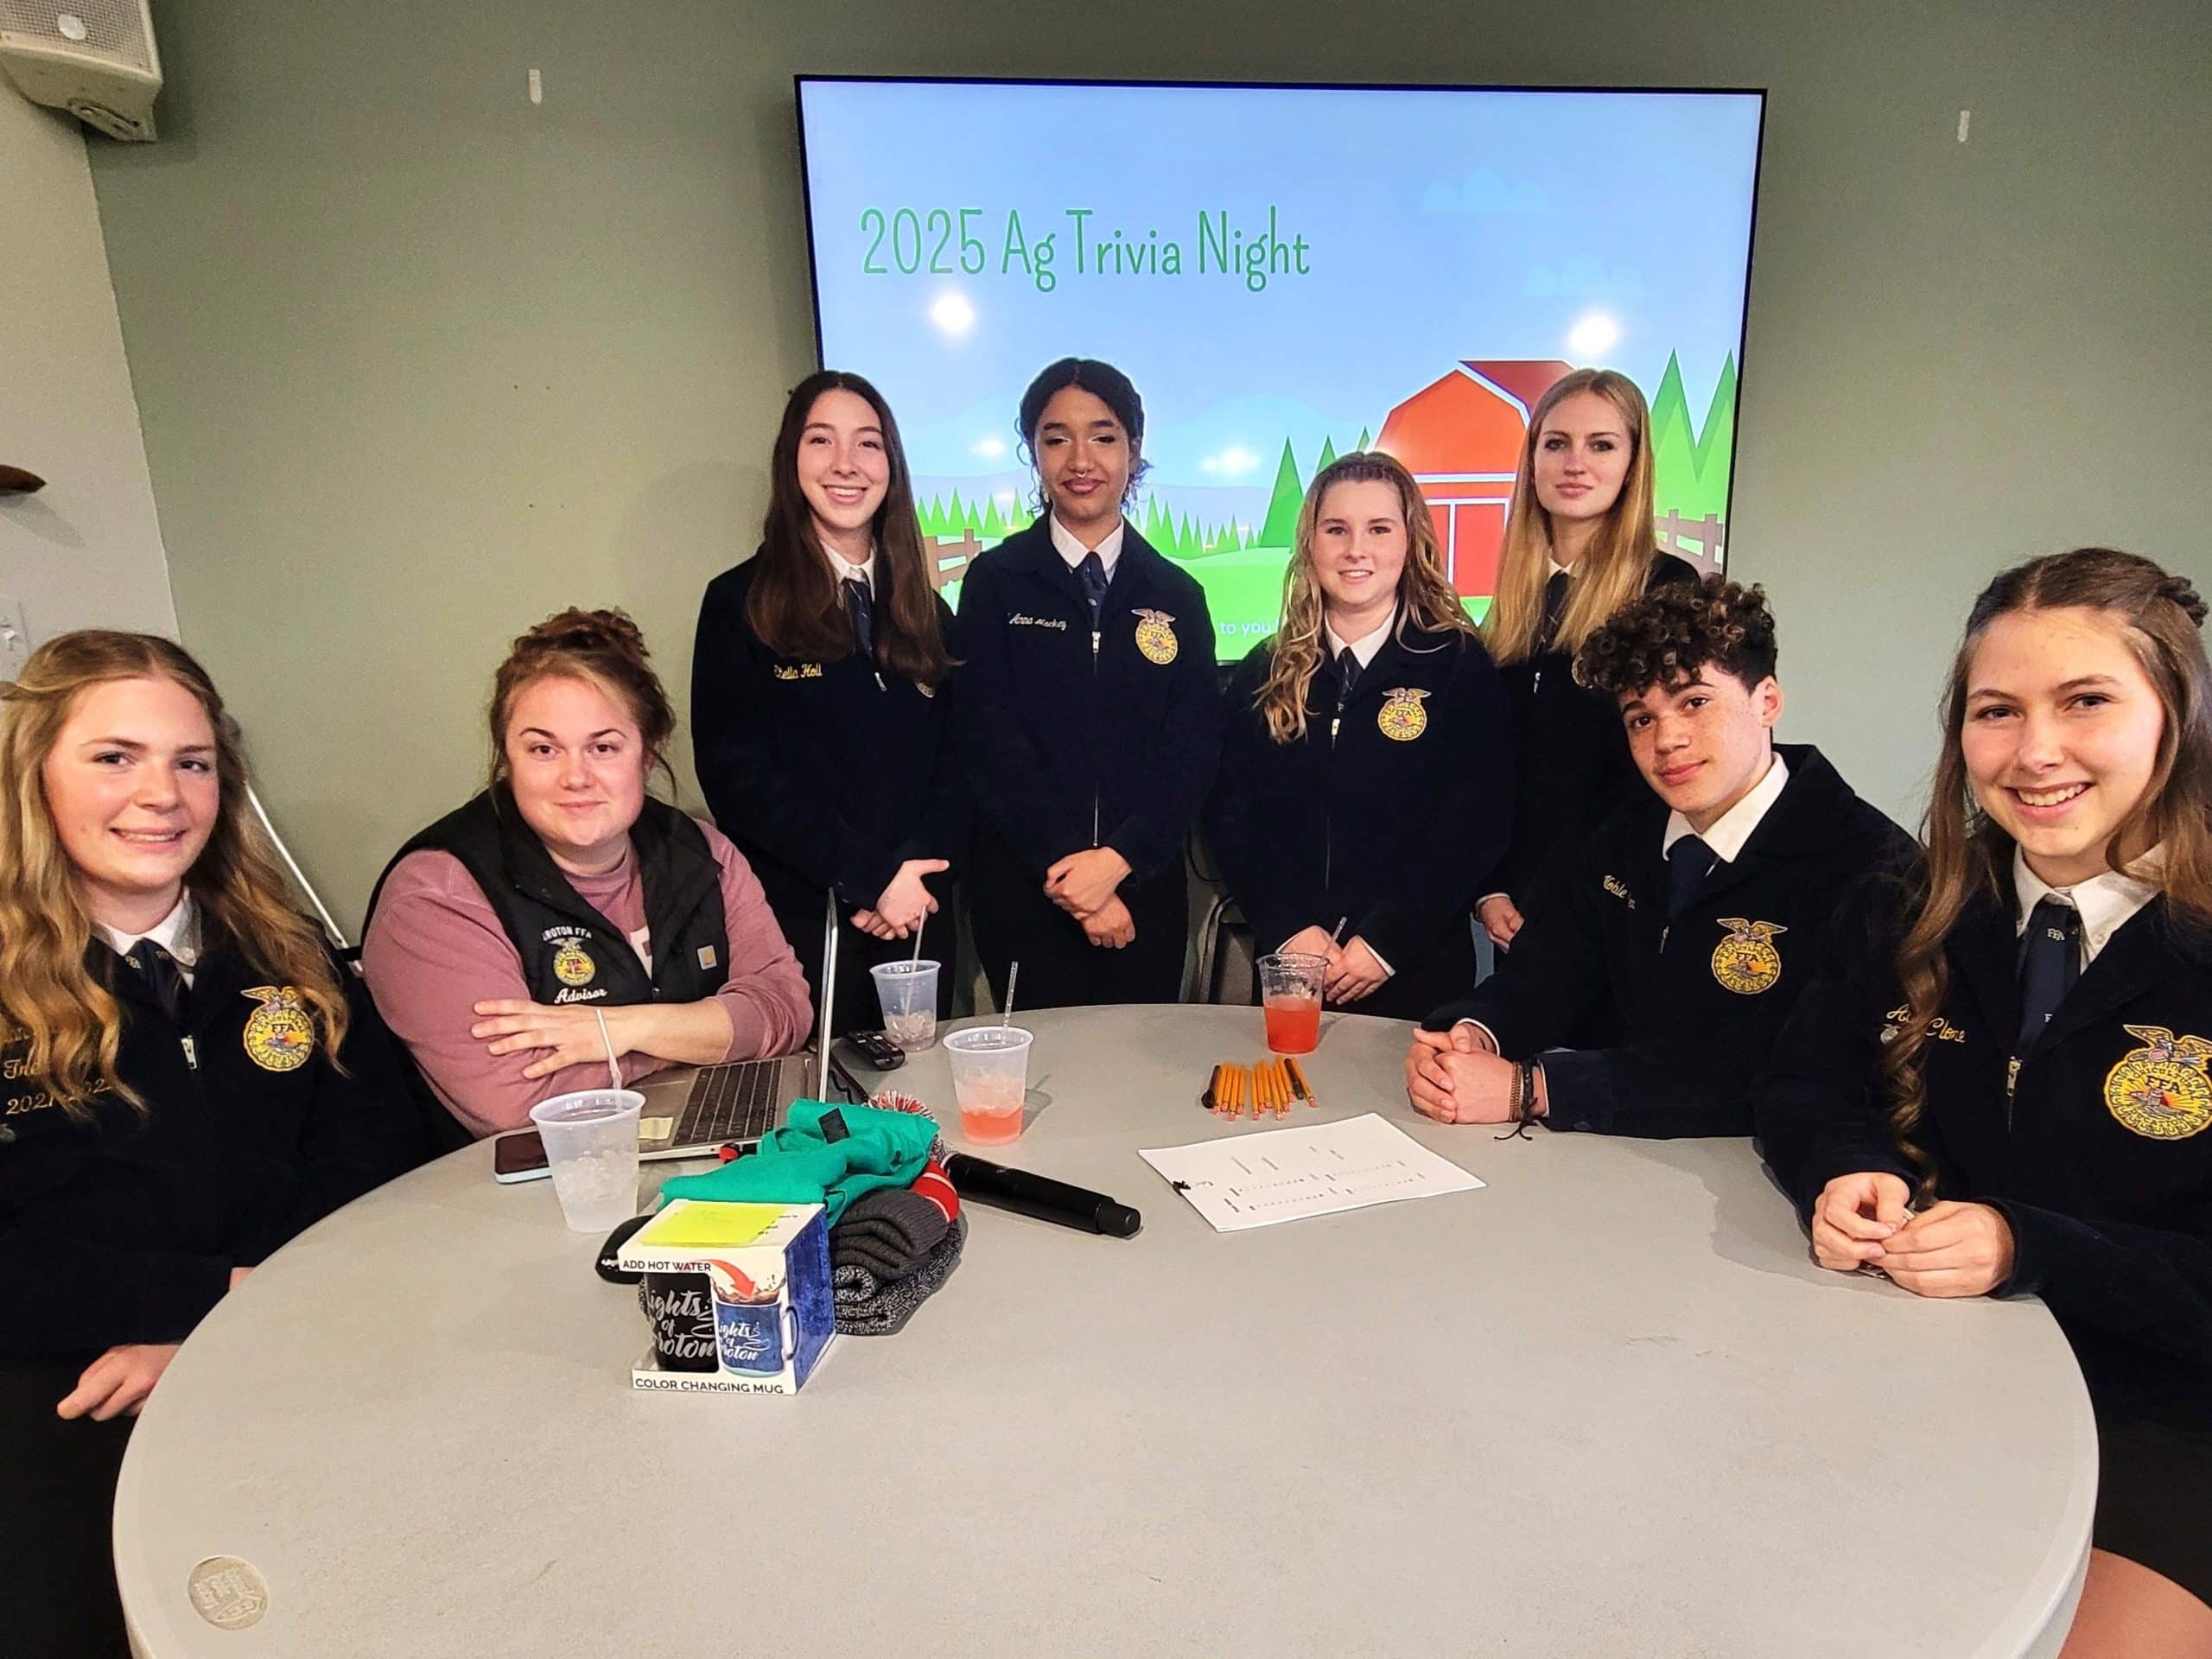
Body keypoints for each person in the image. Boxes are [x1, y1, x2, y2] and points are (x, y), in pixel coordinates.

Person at [1756, 550, 2212, 1652]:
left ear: (2177, 717)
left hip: (2164, 1412)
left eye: (2085, 701)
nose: (2034, 752)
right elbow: (1801, 1082)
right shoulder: (1903, 902)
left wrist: (2029, 1247)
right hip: (1918, 1363)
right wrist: (1842, 1165)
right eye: (1996, 710)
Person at [0, 631, 426, 1658]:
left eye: (191, 762)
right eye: (115, 757)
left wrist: (232, 1312)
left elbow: (375, 1155)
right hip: (67, 1378)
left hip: (291, 1324)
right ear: (34, 778)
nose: (163, 794)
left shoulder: (285, 954)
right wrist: (194, 1306)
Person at [1406, 577, 1913, 1136]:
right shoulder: (1629, 829)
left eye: (1694, 702)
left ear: (1766, 700)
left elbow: (1784, 1066)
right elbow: (1550, 970)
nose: (1666, 739)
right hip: (1618, 1160)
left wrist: (1537, 1087)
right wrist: (1473, 1034)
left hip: (1772, 1175)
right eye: (1641, 718)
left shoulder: (1871, 867)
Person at [362, 609, 811, 1137]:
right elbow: (515, 1104)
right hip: (525, 1197)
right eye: (543, 749)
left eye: (603, 747)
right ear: (506, 759)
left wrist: (619, 1028)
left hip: (714, 1155)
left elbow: (787, 1011)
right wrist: (707, 1035)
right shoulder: (437, 894)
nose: (576, 777)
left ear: (647, 754)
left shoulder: (702, 850)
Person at [691, 371, 966, 1038]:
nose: (846, 464)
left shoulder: (925, 610)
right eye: (822, 441)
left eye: (868, 445)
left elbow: (958, 766)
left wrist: (910, 879)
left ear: (891, 468)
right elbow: (740, 781)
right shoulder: (739, 604)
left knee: (921, 1115)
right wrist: (869, 879)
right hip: (806, 923)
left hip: (918, 916)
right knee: (821, 1121)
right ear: (792, 461)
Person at [953, 358, 1221, 1010]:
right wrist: (1073, 871)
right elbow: (989, 742)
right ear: (1034, 452)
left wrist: (1116, 864)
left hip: (1144, 896)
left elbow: (1192, 752)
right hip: (1026, 893)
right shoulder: (995, 583)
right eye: (1055, 438)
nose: (1081, 459)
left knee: (1141, 1090)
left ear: (1134, 450)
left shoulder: (1176, 594)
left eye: (1103, 436)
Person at [1206, 451, 1510, 1019]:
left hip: (1415, 970)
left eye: (1378, 529)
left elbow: (1475, 822)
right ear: (1310, 543)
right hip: (1292, 970)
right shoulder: (1264, 669)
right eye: (1337, 529)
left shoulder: (1457, 666)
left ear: (1409, 540)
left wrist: (1383, 944)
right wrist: (1289, 929)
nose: (1356, 550)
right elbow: (1231, 814)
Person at [1477, 368, 1700, 949]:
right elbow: (1491, 768)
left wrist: (1566, 894)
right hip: (1515, 910)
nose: (1575, 464)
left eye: (1601, 444)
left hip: (1615, 909)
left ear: (1633, 464)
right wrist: (1491, 887)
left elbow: (1663, 770)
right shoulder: (1509, 604)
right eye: (1557, 444)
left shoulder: (1667, 592)